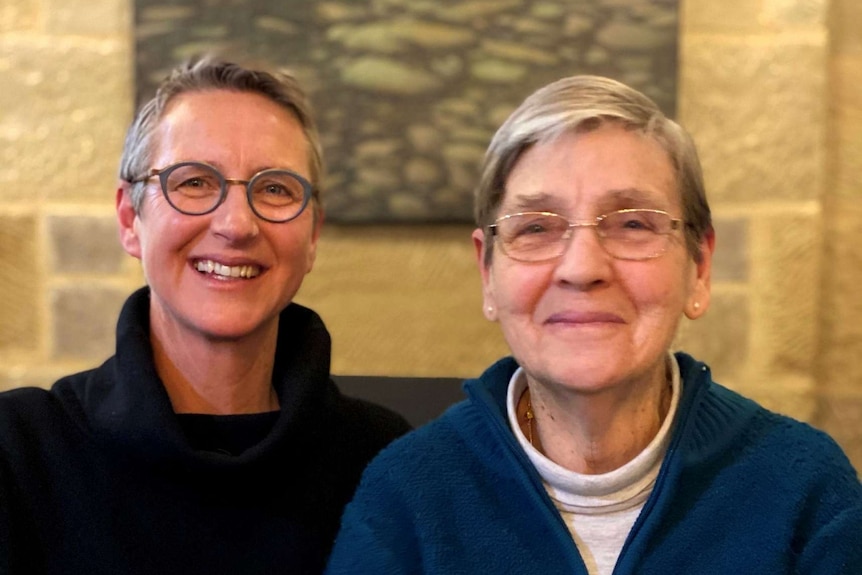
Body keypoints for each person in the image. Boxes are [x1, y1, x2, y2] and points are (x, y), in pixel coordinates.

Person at [325, 76, 862, 574]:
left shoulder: (805, 492)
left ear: (699, 267)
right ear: (487, 272)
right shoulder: (406, 497)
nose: (582, 268)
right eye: (535, 227)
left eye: (632, 225)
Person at [0, 56, 410, 574]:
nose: (236, 224)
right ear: (130, 218)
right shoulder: (20, 452)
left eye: (276, 188)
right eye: (193, 182)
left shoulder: (386, 459)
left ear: (312, 237)